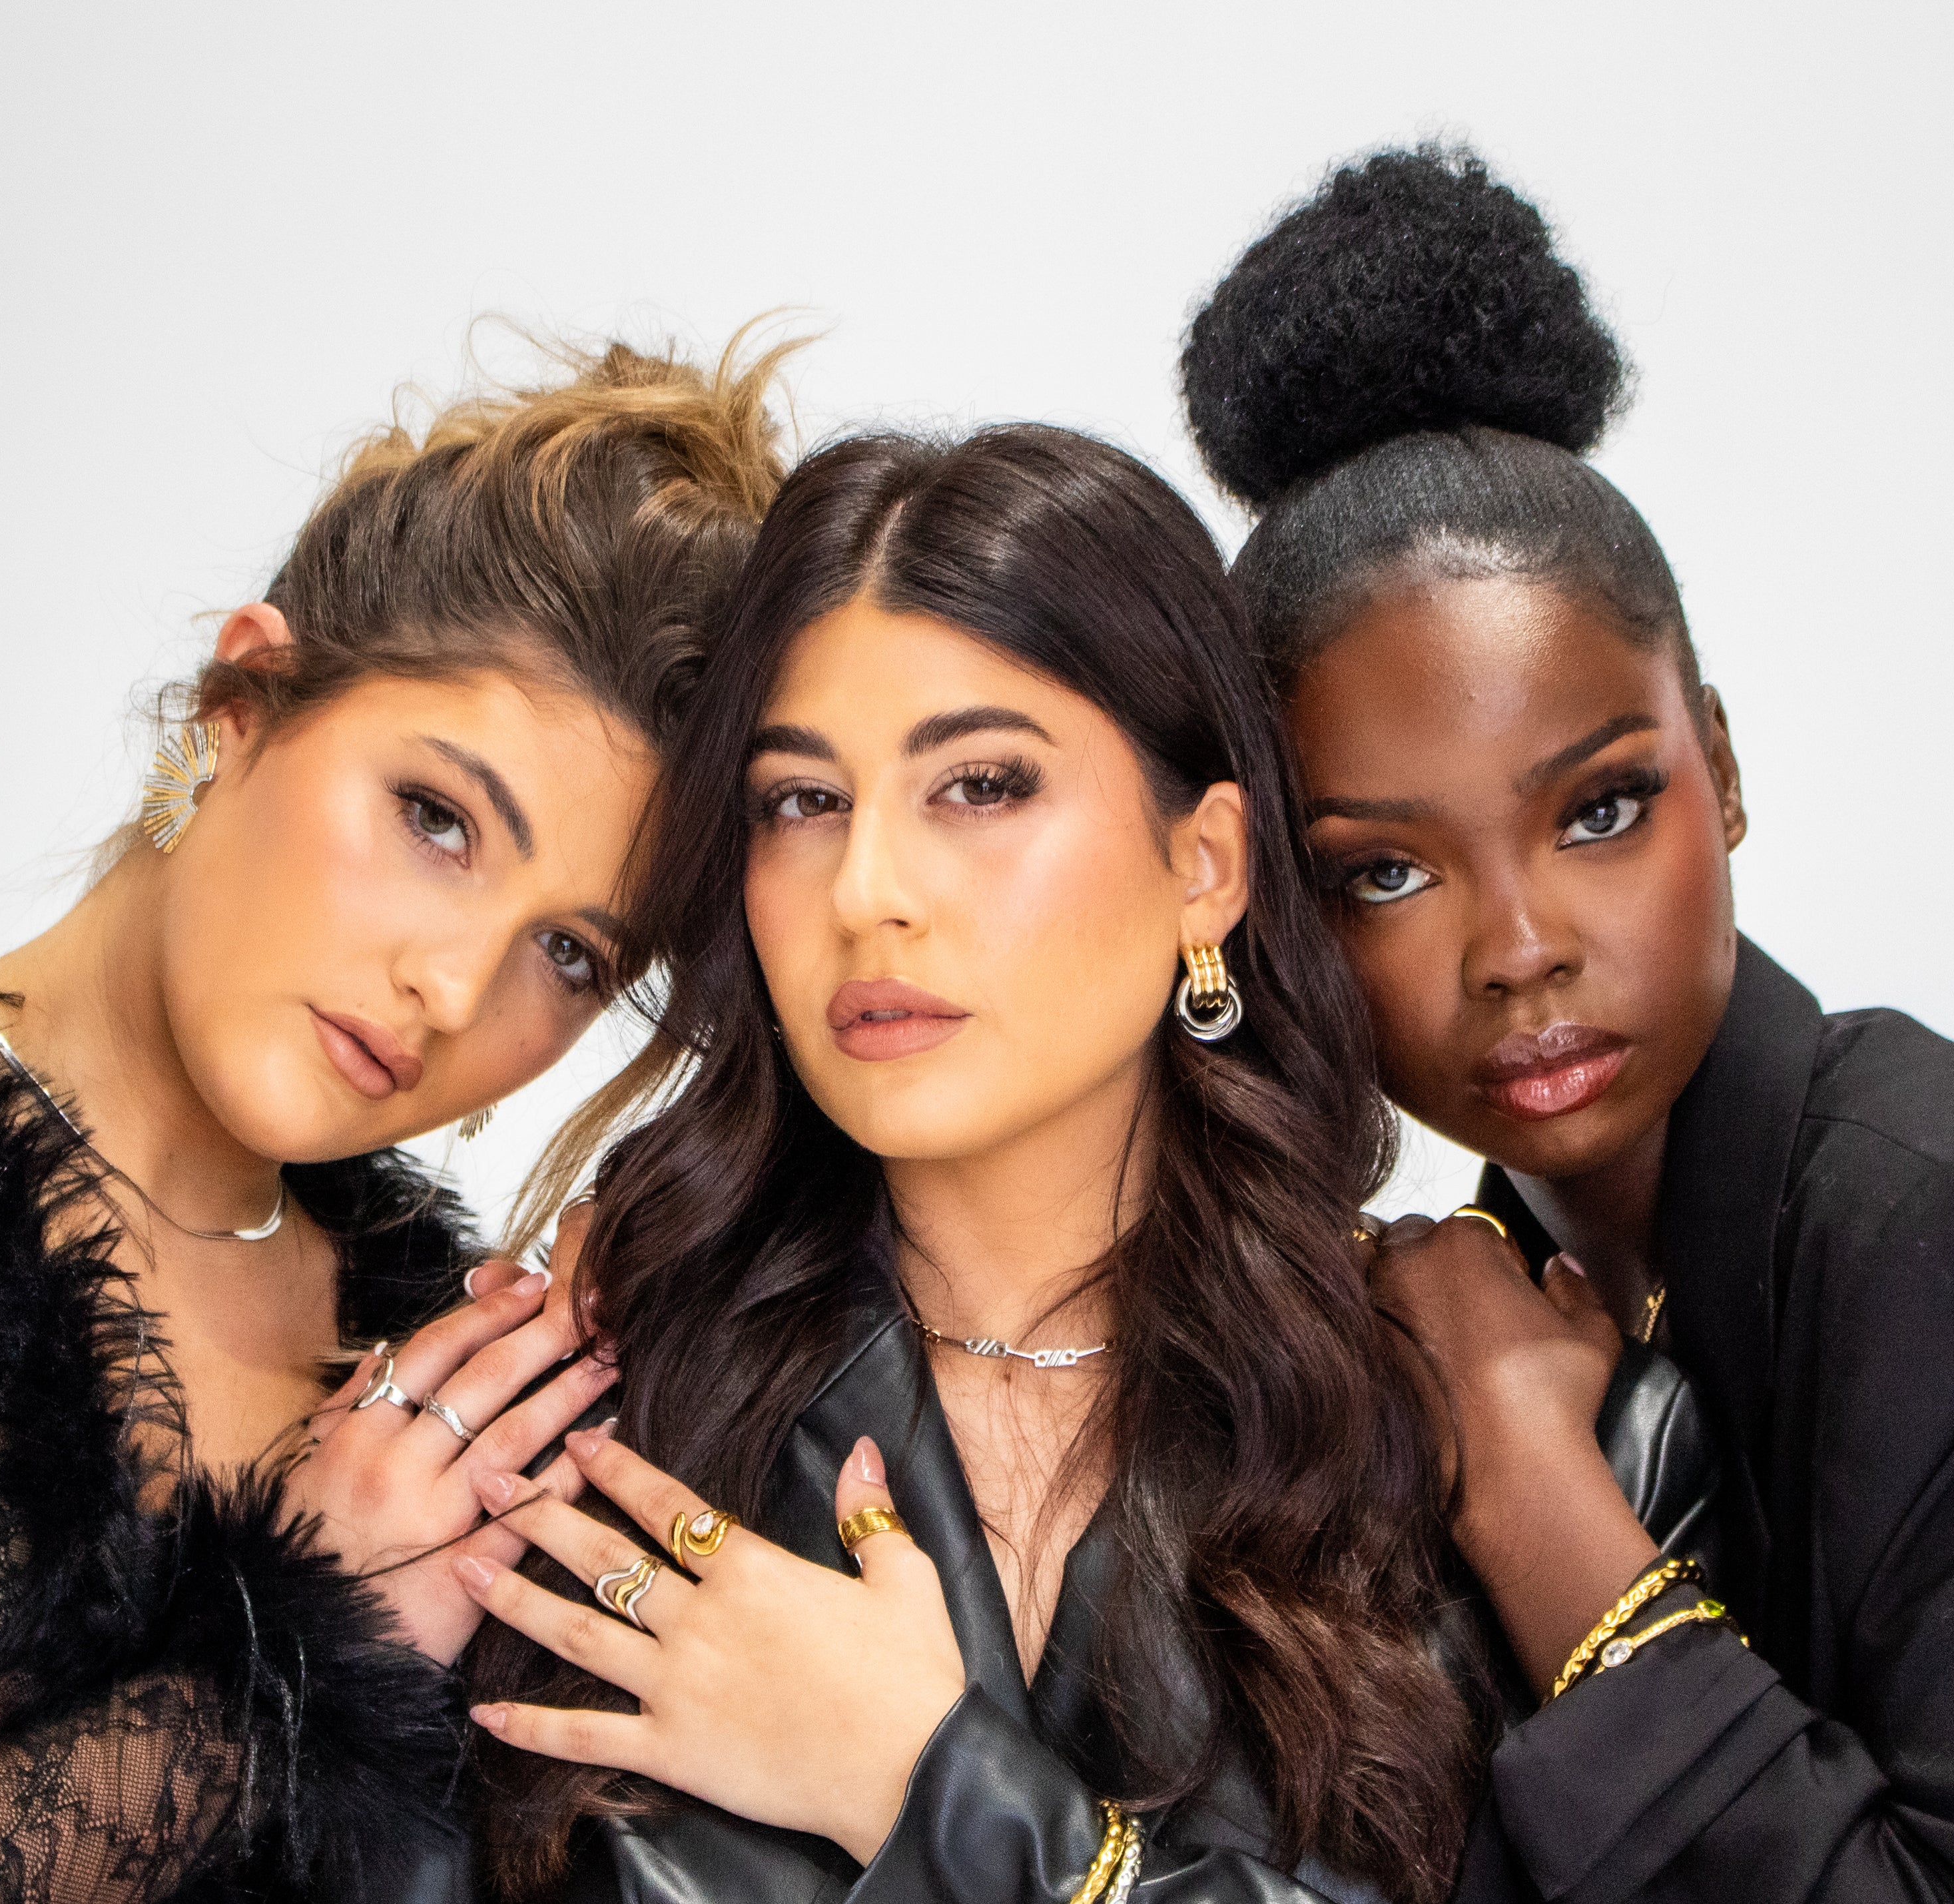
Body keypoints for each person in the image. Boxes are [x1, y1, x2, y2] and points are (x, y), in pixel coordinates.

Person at [1179, 143, 1954, 1899]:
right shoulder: (1474, 1305)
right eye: (1384, 873)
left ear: (1720, 769)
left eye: (1597, 810)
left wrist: (1535, 1495)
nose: (1520, 948)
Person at [0, 334, 791, 1902]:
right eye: (436, 818)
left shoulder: (452, 1369)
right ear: (241, 697)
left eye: (570, 953)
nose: (454, 986)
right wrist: (286, 1671)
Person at [443, 421, 1502, 1904]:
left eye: (983, 785)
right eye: (801, 801)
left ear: (1205, 861)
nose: (869, 891)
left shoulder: (1471, 1428)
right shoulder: (595, 1398)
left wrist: (933, 1791)